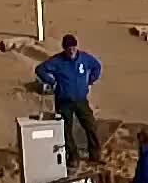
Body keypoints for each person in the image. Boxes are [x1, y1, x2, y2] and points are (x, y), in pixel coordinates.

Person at [36, 34, 103, 165]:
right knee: (66, 130)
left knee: (90, 125)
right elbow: (40, 69)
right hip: (64, 101)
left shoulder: (84, 58)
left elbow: (97, 66)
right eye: (68, 48)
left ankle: (95, 155)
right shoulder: (57, 61)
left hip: (81, 100)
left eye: (73, 47)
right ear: (64, 49)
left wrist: (90, 80)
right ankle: (73, 156)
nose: (71, 50)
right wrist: (52, 81)